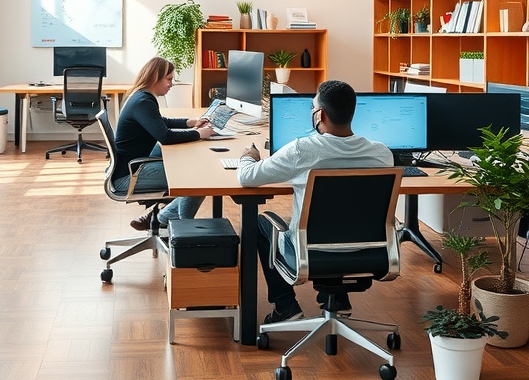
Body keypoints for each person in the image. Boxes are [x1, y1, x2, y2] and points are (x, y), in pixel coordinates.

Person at [237, 79, 394, 324]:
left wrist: (249, 156)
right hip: (369, 252)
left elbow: (247, 177)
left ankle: (286, 305)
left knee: (260, 223)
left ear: (319, 114)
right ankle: (338, 301)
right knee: (343, 219)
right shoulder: (381, 154)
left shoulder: (303, 150)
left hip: (311, 253)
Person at [112, 56, 215, 230]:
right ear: (155, 78)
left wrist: (189, 122)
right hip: (128, 176)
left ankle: (162, 218)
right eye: (169, 79)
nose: (171, 84)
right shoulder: (143, 101)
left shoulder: (141, 97)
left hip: (132, 165)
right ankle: (180, 230)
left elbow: (161, 121)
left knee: (188, 163)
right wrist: (198, 134)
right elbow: (165, 136)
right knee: (199, 177)